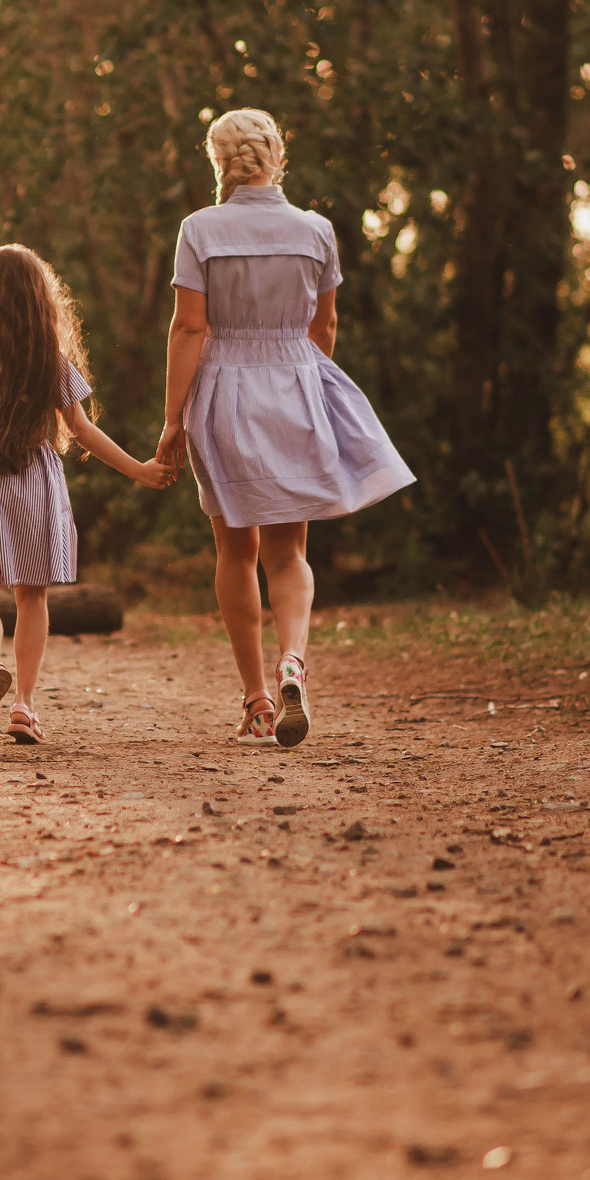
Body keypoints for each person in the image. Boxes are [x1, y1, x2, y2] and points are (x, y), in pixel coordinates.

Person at [156, 109, 414, 748]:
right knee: (289, 551)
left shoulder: (200, 230)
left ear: (218, 162)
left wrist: (171, 420)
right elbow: (323, 328)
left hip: (224, 390)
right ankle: (293, 659)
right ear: (277, 156)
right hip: (296, 383)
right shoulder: (317, 230)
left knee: (235, 551)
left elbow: (190, 327)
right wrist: (307, 386)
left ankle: (257, 701)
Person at [0, 245, 173, 745]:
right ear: (39, 301)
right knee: (32, 595)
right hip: (34, 477)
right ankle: (24, 706)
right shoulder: (52, 361)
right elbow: (82, 431)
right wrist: (139, 469)